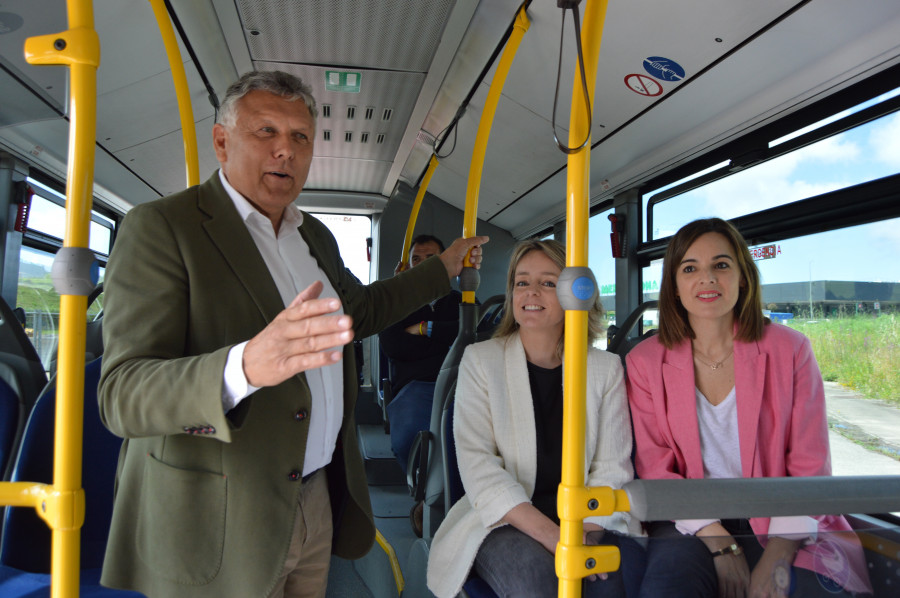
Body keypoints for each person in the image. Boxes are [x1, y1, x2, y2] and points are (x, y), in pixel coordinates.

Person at [97, 70, 487, 598]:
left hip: (317, 495)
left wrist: (443, 267)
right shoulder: (164, 228)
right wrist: (244, 366)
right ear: (221, 142)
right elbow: (123, 394)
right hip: (220, 513)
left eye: (300, 137)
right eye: (266, 132)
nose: (285, 150)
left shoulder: (313, 235)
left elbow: (363, 310)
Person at [626, 218, 871, 598]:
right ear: (674, 287)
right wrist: (721, 545)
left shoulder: (791, 350)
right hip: (689, 519)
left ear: (743, 278)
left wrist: (778, 552)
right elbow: (655, 468)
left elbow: (810, 466)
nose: (707, 279)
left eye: (721, 265)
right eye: (690, 268)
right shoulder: (644, 361)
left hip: (783, 515)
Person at [427, 239, 645, 598]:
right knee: (538, 581)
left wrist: (585, 536)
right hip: (504, 520)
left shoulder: (605, 370)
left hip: (588, 521)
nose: (531, 292)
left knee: (614, 582)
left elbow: (612, 468)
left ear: (575, 294)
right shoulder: (481, 361)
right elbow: (479, 466)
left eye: (547, 283)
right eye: (521, 282)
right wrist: (555, 538)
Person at [380, 234, 463, 473]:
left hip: (461, 384)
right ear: (407, 266)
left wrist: (424, 329)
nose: (424, 264)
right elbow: (395, 347)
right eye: (416, 259)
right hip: (416, 385)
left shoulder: (461, 300)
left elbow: (469, 336)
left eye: (431, 258)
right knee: (408, 440)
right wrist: (444, 340)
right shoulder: (396, 304)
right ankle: (421, 494)